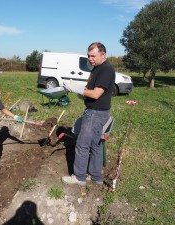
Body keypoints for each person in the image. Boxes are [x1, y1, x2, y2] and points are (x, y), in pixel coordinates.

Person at [61, 42, 115, 186]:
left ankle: (79, 177)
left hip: (95, 113)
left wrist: (75, 89)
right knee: (95, 144)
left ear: (102, 54)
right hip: (97, 111)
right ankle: (95, 176)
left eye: (93, 56)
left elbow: (96, 94)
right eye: (88, 56)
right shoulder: (97, 68)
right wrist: (83, 94)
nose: (90, 59)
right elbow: (91, 90)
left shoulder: (106, 70)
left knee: (82, 144)